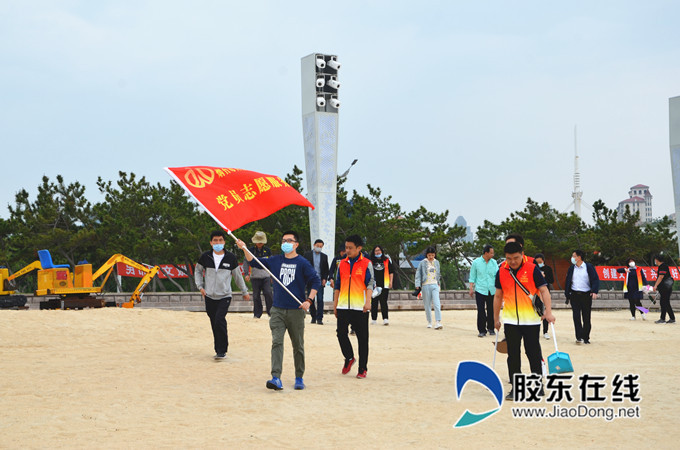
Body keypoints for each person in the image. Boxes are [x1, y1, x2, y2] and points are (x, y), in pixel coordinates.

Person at [236, 231, 321, 391]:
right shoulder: (275, 260)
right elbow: (254, 262)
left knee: (298, 345)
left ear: (296, 244)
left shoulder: (302, 263)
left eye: (289, 240)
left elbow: (315, 281)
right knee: (277, 342)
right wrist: (244, 248)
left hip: (296, 311)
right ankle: (276, 377)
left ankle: (299, 377)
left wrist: (309, 300)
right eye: (283, 241)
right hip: (277, 310)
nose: (285, 243)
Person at [493, 241, 555, 400]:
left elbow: (544, 291)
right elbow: (498, 296)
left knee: (533, 353)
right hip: (511, 320)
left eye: (516, 258)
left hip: (531, 320)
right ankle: (516, 388)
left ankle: (538, 385)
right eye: (509, 258)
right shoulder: (501, 271)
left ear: (522, 255)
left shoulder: (532, 269)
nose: (512, 261)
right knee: (513, 355)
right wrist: (495, 318)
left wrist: (548, 312)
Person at [195, 230, 250, 360]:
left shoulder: (231, 258)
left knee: (219, 319)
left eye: (220, 240)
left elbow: (237, 276)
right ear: (211, 242)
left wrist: (244, 291)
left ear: (224, 242)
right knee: (214, 322)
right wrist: (200, 287)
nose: (218, 243)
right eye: (215, 240)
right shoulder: (205, 256)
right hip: (209, 296)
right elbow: (198, 271)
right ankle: (217, 349)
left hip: (225, 296)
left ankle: (222, 350)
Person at [333, 234, 374, 379]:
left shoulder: (367, 263)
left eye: (350, 248)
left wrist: (368, 302)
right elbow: (337, 285)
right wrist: (335, 304)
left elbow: (370, 284)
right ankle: (349, 357)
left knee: (362, 338)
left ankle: (362, 368)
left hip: (360, 306)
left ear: (359, 248)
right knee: (341, 333)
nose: (347, 250)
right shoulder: (341, 263)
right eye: (346, 247)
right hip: (343, 305)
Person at [564, 250, 599, 344]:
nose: (572, 258)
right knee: (576, 317)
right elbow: (568, 281)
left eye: (573, 256)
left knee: (586, 317)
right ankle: (579, 337)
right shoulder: (572, 268)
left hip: (586, 295)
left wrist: (594, 291)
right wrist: (567, 293)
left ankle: (586, 337)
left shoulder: (588, 267)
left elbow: (595, 279)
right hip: (574, 295)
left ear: (579, 257)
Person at [469, 244, 498, 337]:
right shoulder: (476, 262)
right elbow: (472, 276)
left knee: (491, 310)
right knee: (481, 310)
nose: (493, 255)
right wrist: (471, 288)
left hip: (492, 289)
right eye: (491, 253)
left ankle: (491, 328)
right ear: (486, 253)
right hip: (480, 289)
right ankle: (482, 330)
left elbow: (498, 275)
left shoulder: (494, 262)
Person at [242, 231, 273, 319]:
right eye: (258, 241)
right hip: (255, 277)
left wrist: (272, 276)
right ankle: (257, 314)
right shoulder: (250, 250)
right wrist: (246, 273)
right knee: (256, 295)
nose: (259, 243)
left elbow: (272, 263)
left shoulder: (268, 251)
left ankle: (271, 313)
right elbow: (246, 262)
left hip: (266, 276)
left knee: (268, 293)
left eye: (261, 242)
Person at [415, 246, 443, 330]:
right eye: (429, 255)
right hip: (425, 285)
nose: (431, 257)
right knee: (427, 304)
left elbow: (438, 274)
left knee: (437, 303)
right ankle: (429, 321)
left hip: (435, 284)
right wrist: (417, 285)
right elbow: (418, 274)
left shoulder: (437, 262)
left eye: (432, 255)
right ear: (426, 255)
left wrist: (439, 284)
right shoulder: (422, 263)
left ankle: (438, 321)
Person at [303, 239, 329, 325]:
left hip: (319, 280)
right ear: (314, 245)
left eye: (321, 246)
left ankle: (320, 318)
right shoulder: (307, 255)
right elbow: (304, 267)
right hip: (310, 280)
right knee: (311, 299)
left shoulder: (324, 256)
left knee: (320, 299)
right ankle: (313, 316)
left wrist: (324, 278)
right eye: (318, 246)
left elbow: (326, 269)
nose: (319, 248)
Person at [370, 245, 393, 326]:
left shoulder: (386, 260)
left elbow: (391, 272)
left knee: (383, 302)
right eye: (376, 251)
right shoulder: (371, 261)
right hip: (374, 284)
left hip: (385, 284)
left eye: (379, 250)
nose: (377, 252)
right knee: (374, 302)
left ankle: (385, 318)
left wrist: (391, 282)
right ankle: (374, 319)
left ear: (381, 251)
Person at [534, 253, 555, 339]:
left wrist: (544, 277)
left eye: (540, 262)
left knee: (546, 311)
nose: (539, 263)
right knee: (537, 311)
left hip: (545, 292)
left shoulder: (548, 269)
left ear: (543, 260)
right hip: (536, 293)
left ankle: (545, 331)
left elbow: (551, 280)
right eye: (537, 262)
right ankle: (535, 330)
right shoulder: (534, 268)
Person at [652, 254, 676, 324]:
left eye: (655, 260)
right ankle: (672, 318)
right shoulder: (663, 266)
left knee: (663, 303)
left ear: (657, 260)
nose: (655, 261)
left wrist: (655, 285)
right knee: (666, 303)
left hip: (665, 288)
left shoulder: (663, 266)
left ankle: (662, 319)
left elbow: (661, 277)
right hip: (665, 288)